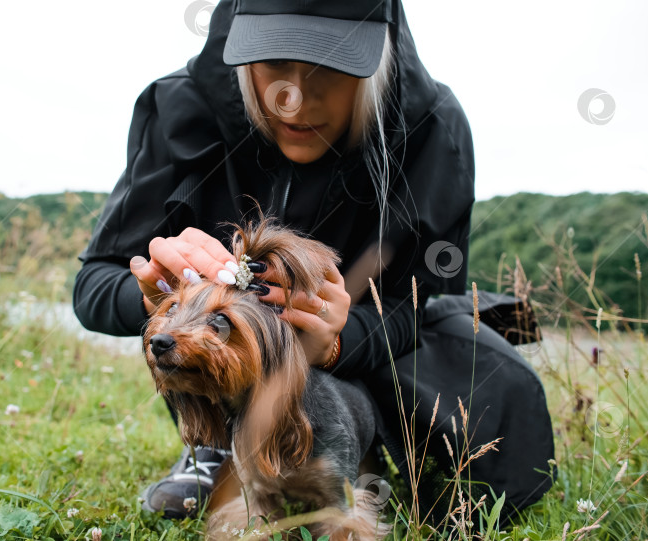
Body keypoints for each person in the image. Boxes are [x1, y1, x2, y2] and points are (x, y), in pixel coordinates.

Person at [73, 0, 555, 522]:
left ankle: (361, 450)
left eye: (332, 65)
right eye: (274, 63)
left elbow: (410, 305)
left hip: (362, 371)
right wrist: (154, 294)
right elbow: (93, 285)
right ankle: (216, 445)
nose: (295, 101)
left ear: (383, 54)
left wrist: (341, 339)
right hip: (220, 381)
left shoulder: (433, 128)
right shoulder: (177, 108)